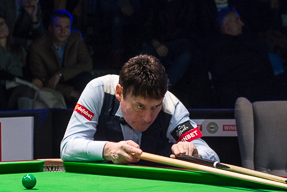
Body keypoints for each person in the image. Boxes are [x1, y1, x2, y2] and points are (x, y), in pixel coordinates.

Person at [61, 53, 219, 164]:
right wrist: (108, 149)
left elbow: (212, 156)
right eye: (140, 106)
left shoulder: (172, 107)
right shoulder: (98, 91)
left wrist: (195, 153)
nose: (147, 118)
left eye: (155, 107)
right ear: (119, 93)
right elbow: (68, 147)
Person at [27, 10, 94, 102]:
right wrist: (71, 93)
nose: (63, 31)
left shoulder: (76, 38)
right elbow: (42, 80)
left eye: (67, 27)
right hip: (53, 87)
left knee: (86, 78)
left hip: (71, 77)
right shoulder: (37, 47)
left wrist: (60, 74)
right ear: (50, 28)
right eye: (58, 26)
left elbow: (87, 64)